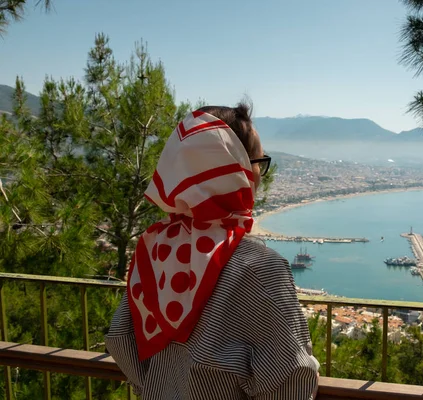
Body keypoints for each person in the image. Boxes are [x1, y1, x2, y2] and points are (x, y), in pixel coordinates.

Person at [105, 103, 320, 399]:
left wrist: (158, 386)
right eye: (259, 162)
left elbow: (120, 339)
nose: (260, 175)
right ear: (237, 171)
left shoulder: (154, 249)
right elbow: (291, 379)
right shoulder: (258, 267)